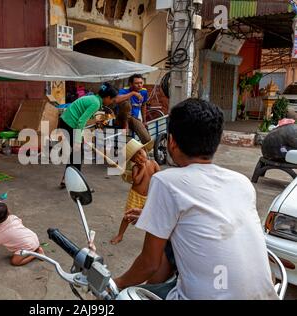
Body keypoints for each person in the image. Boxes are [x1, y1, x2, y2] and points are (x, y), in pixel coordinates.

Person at [114, 98, 279, 300]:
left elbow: (149, 263)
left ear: (172, 142)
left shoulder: (166, 182)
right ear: (216, 143)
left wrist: (116, 283)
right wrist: (156, 216)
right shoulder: (241, 182)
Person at [59, 82, 118, 188]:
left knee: (75, 154)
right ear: (108, 97)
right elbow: (81, 121)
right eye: (112, 100)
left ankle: (67, 179)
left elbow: (84, 117)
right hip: (69, 124)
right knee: (77, 154)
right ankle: (77, 184)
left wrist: (95, 122)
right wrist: (77, 140)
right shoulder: (95, 103)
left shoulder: (93, 99)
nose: (112, 102)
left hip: (65, 121)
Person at [111, 139, 158, 245]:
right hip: (136, 196)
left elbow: (159, 177)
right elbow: (136, 181)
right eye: (136, 157)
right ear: (133, 160)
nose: (140, 158)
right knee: (127, 217)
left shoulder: (154, 164)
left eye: (140, 153)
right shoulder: (136, 168)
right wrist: (142, 169)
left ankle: (152, 240)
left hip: (149, 196)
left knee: (152, 218)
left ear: (145, 150)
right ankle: (120, 235)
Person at [114, 74, 152, 144]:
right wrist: (133, 93)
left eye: (141, 83)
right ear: (131, 84)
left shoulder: (144, 92)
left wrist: (144, 121)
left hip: (133, 118)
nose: (139, 85)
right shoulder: (124, 90)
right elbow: (116, 100)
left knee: (147, 139)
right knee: (126, 103)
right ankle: (126, 124)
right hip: (121, 118)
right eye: (136, 83)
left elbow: (143, 105)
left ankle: (142, 153)